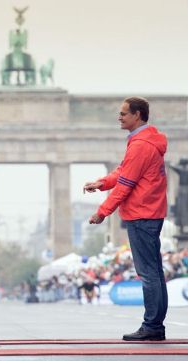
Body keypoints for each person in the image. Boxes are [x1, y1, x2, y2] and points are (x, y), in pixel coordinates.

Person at [84, 97, 168, 341]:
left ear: (138, 115)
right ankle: (155, 325)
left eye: (123, 114)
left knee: (149, 273)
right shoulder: (143, 141)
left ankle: (152, 326)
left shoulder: (141, 144)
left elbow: (126, 185)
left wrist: (102, 212)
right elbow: (124, 172)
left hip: (142, 213)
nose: (119, 117)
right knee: (154, 271)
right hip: (149, 211)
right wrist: (102, 183)